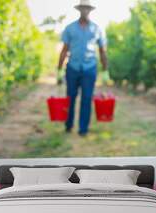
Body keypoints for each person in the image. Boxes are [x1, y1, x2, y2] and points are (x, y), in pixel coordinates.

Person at [57, 0, 109, 136]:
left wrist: (105, 70)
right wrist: (59, 69)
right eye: (83, 9)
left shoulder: (97, 29)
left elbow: (102, 51)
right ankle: (68, 125)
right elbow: (64, 50)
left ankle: (83, 129)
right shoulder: (70, 28)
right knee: (71, 97)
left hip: (89, 68)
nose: (85, 11)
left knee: (86, 98)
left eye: (87, 9)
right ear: (79, 10)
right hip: (72, 68)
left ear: (90, 10)